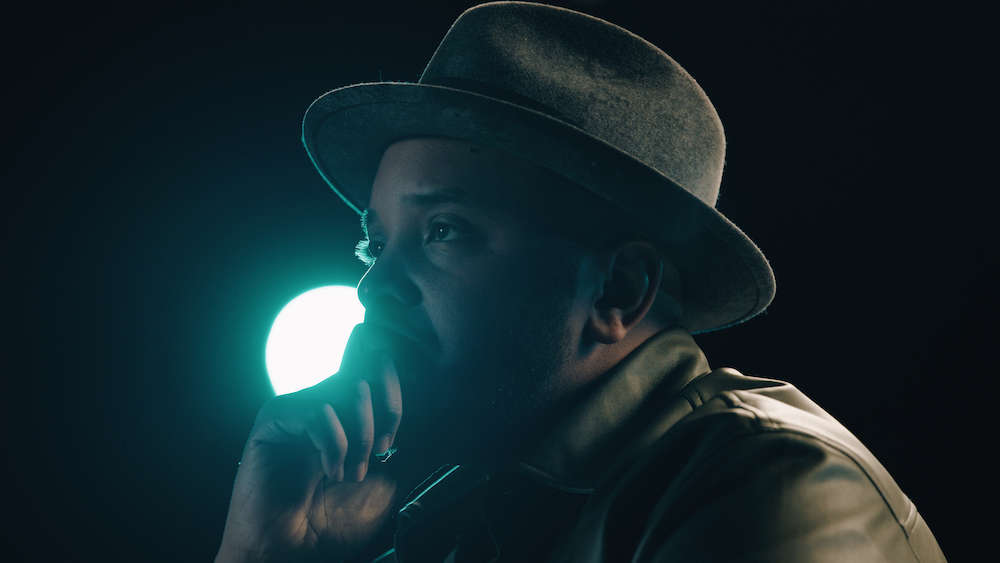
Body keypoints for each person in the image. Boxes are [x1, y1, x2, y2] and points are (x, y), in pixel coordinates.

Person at [216, 2, 947, 562]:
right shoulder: (464, 512)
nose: (375, 287)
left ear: (618, 290)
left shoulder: (764, 486)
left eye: (444, 230)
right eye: (375, 243)